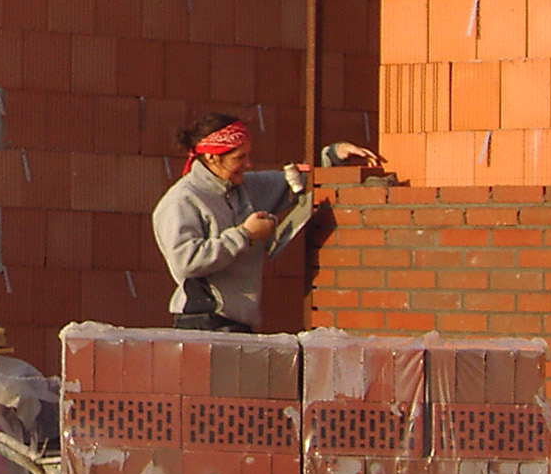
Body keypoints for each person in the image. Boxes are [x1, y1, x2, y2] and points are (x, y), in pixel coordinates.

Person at [150, 114, 380, 333]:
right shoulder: (183, 200)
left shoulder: (245, 188)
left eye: (247, 156)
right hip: (202, 322)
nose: (248, 164)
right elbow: (185, 261)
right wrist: (245, 235)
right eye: (239, 158)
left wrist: (334, 155)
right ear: (212, 157)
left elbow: (296, 181)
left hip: (237, 322)